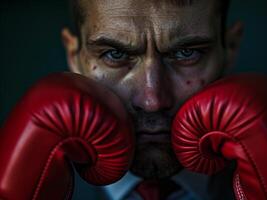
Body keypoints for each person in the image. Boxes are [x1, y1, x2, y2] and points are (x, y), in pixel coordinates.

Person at [61, 0, 243, 199]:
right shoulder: (43, 187)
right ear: (74, 57)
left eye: (186, 53)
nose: (152, 102)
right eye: (115, 54)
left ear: (230, 49)